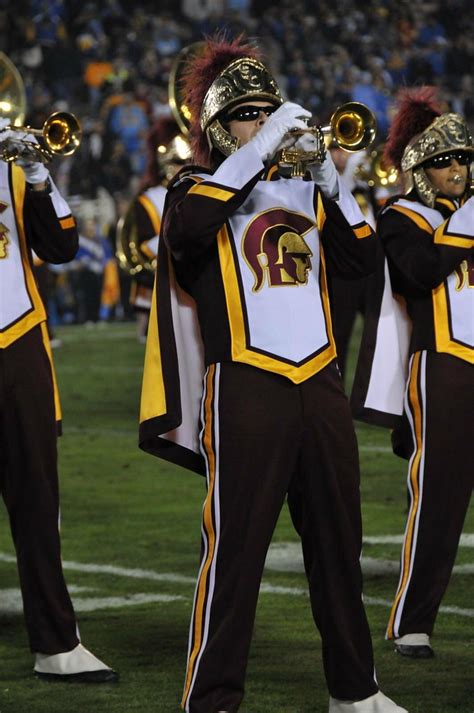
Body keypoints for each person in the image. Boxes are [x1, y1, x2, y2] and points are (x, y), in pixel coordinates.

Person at [139, 35, 408, 713]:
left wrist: (333, 183)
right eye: (248, 113)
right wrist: (260, 154)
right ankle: (213, 699)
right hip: (247, 383)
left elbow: (363, 263)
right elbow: (186, 233)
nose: (266, 122)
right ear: (218, 129)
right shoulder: (195, 187)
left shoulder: (304, 193)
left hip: (318, 382)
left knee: (337, 544)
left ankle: (356, 689)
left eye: (270, 110)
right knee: (236, 553)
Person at [351, 87, 473, 659]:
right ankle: (412, 621)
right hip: (443, 366)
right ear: (421, 170)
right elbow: (421, 273)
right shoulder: (403, 217)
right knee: (440, 497)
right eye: (446, 160)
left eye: (465, 158)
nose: (459, 169)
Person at [0, 119, 118, 682]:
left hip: (19, 342)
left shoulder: (14, 170)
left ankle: (56, 643)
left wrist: (36, 170)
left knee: (37, 501)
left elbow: (64, 245)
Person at [120, 116, 191, 343]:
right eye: (179, 161)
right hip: (156, 273)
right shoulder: (148, 199)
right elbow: (135, 247)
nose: (185, 166)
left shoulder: (200, 190)